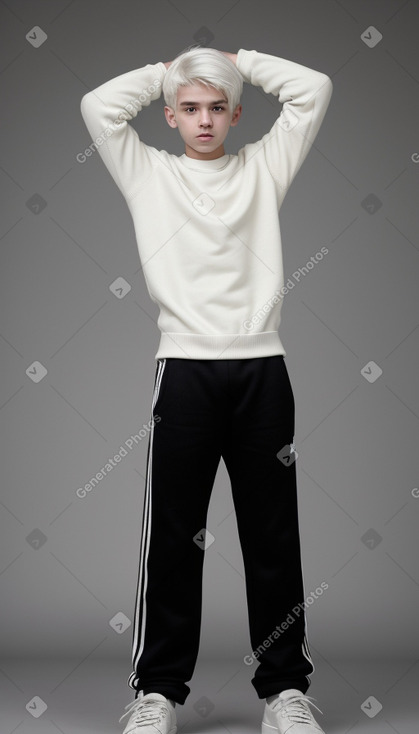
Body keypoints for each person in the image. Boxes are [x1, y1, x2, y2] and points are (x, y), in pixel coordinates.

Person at [80, 44, 333, 734]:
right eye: (187, 107)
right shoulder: (147, 174)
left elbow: (314, 89)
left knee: (271, 533)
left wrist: (240, 58)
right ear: (168, 114)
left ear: (235, 114)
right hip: (185, 371)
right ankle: (156, 691)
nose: (202, 119)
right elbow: (98, 107)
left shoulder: (263, 167)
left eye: (216, 107)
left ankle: (283, 691)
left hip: (263, 371)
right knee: (174, 535)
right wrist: (169, 69)